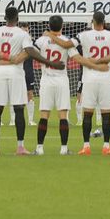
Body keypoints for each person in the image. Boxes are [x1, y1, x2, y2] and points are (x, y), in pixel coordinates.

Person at [73, 10, 110, 156]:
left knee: (87, 114)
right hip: (106, 79)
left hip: (89, 79)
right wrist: (106, 59)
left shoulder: (84, 35)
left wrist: (89, 61)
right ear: (104, 22)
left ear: (93, 21)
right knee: (106, 114)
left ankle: (86, 146)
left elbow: (71, 46)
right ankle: (106, 147)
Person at [0, 5, 39, 154]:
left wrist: (1, 57)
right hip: (16, 74)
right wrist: (16, 59)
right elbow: (29, 51)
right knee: (19, 110)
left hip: (0, 73)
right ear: (17, 18)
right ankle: (20, 147)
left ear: (4, 17)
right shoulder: (22, 34)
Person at [32, 16, 78, 155]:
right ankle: (64, 149)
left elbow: (31, 52)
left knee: (44, 114)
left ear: (49, 26)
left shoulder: (41, 40)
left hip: (46, 79)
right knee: (63, 115)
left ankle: (39, 148)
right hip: (61, 80)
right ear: (62, 26)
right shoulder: (66, 41)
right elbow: (76, 57)